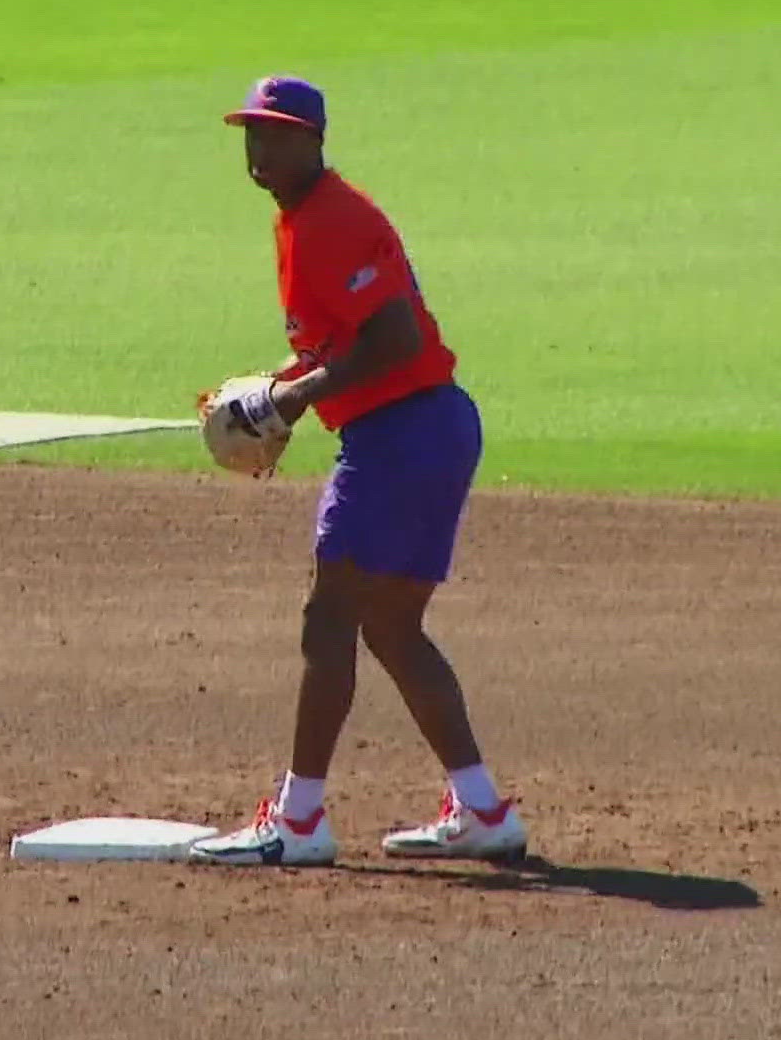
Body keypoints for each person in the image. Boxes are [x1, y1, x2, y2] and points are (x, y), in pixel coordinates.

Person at [190, 76, 528, 867]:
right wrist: (275, 391)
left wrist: (298, 399)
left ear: (312, 139)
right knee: (391, 626)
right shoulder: (301, 220)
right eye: (251, 131)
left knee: (331, 615)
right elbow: (337, 341)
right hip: (429, 428)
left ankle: (298, 819)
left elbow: (396, 338)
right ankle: (482, 808)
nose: (259, 146)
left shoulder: (334, 219)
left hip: (401, 433)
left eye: (274, 133)